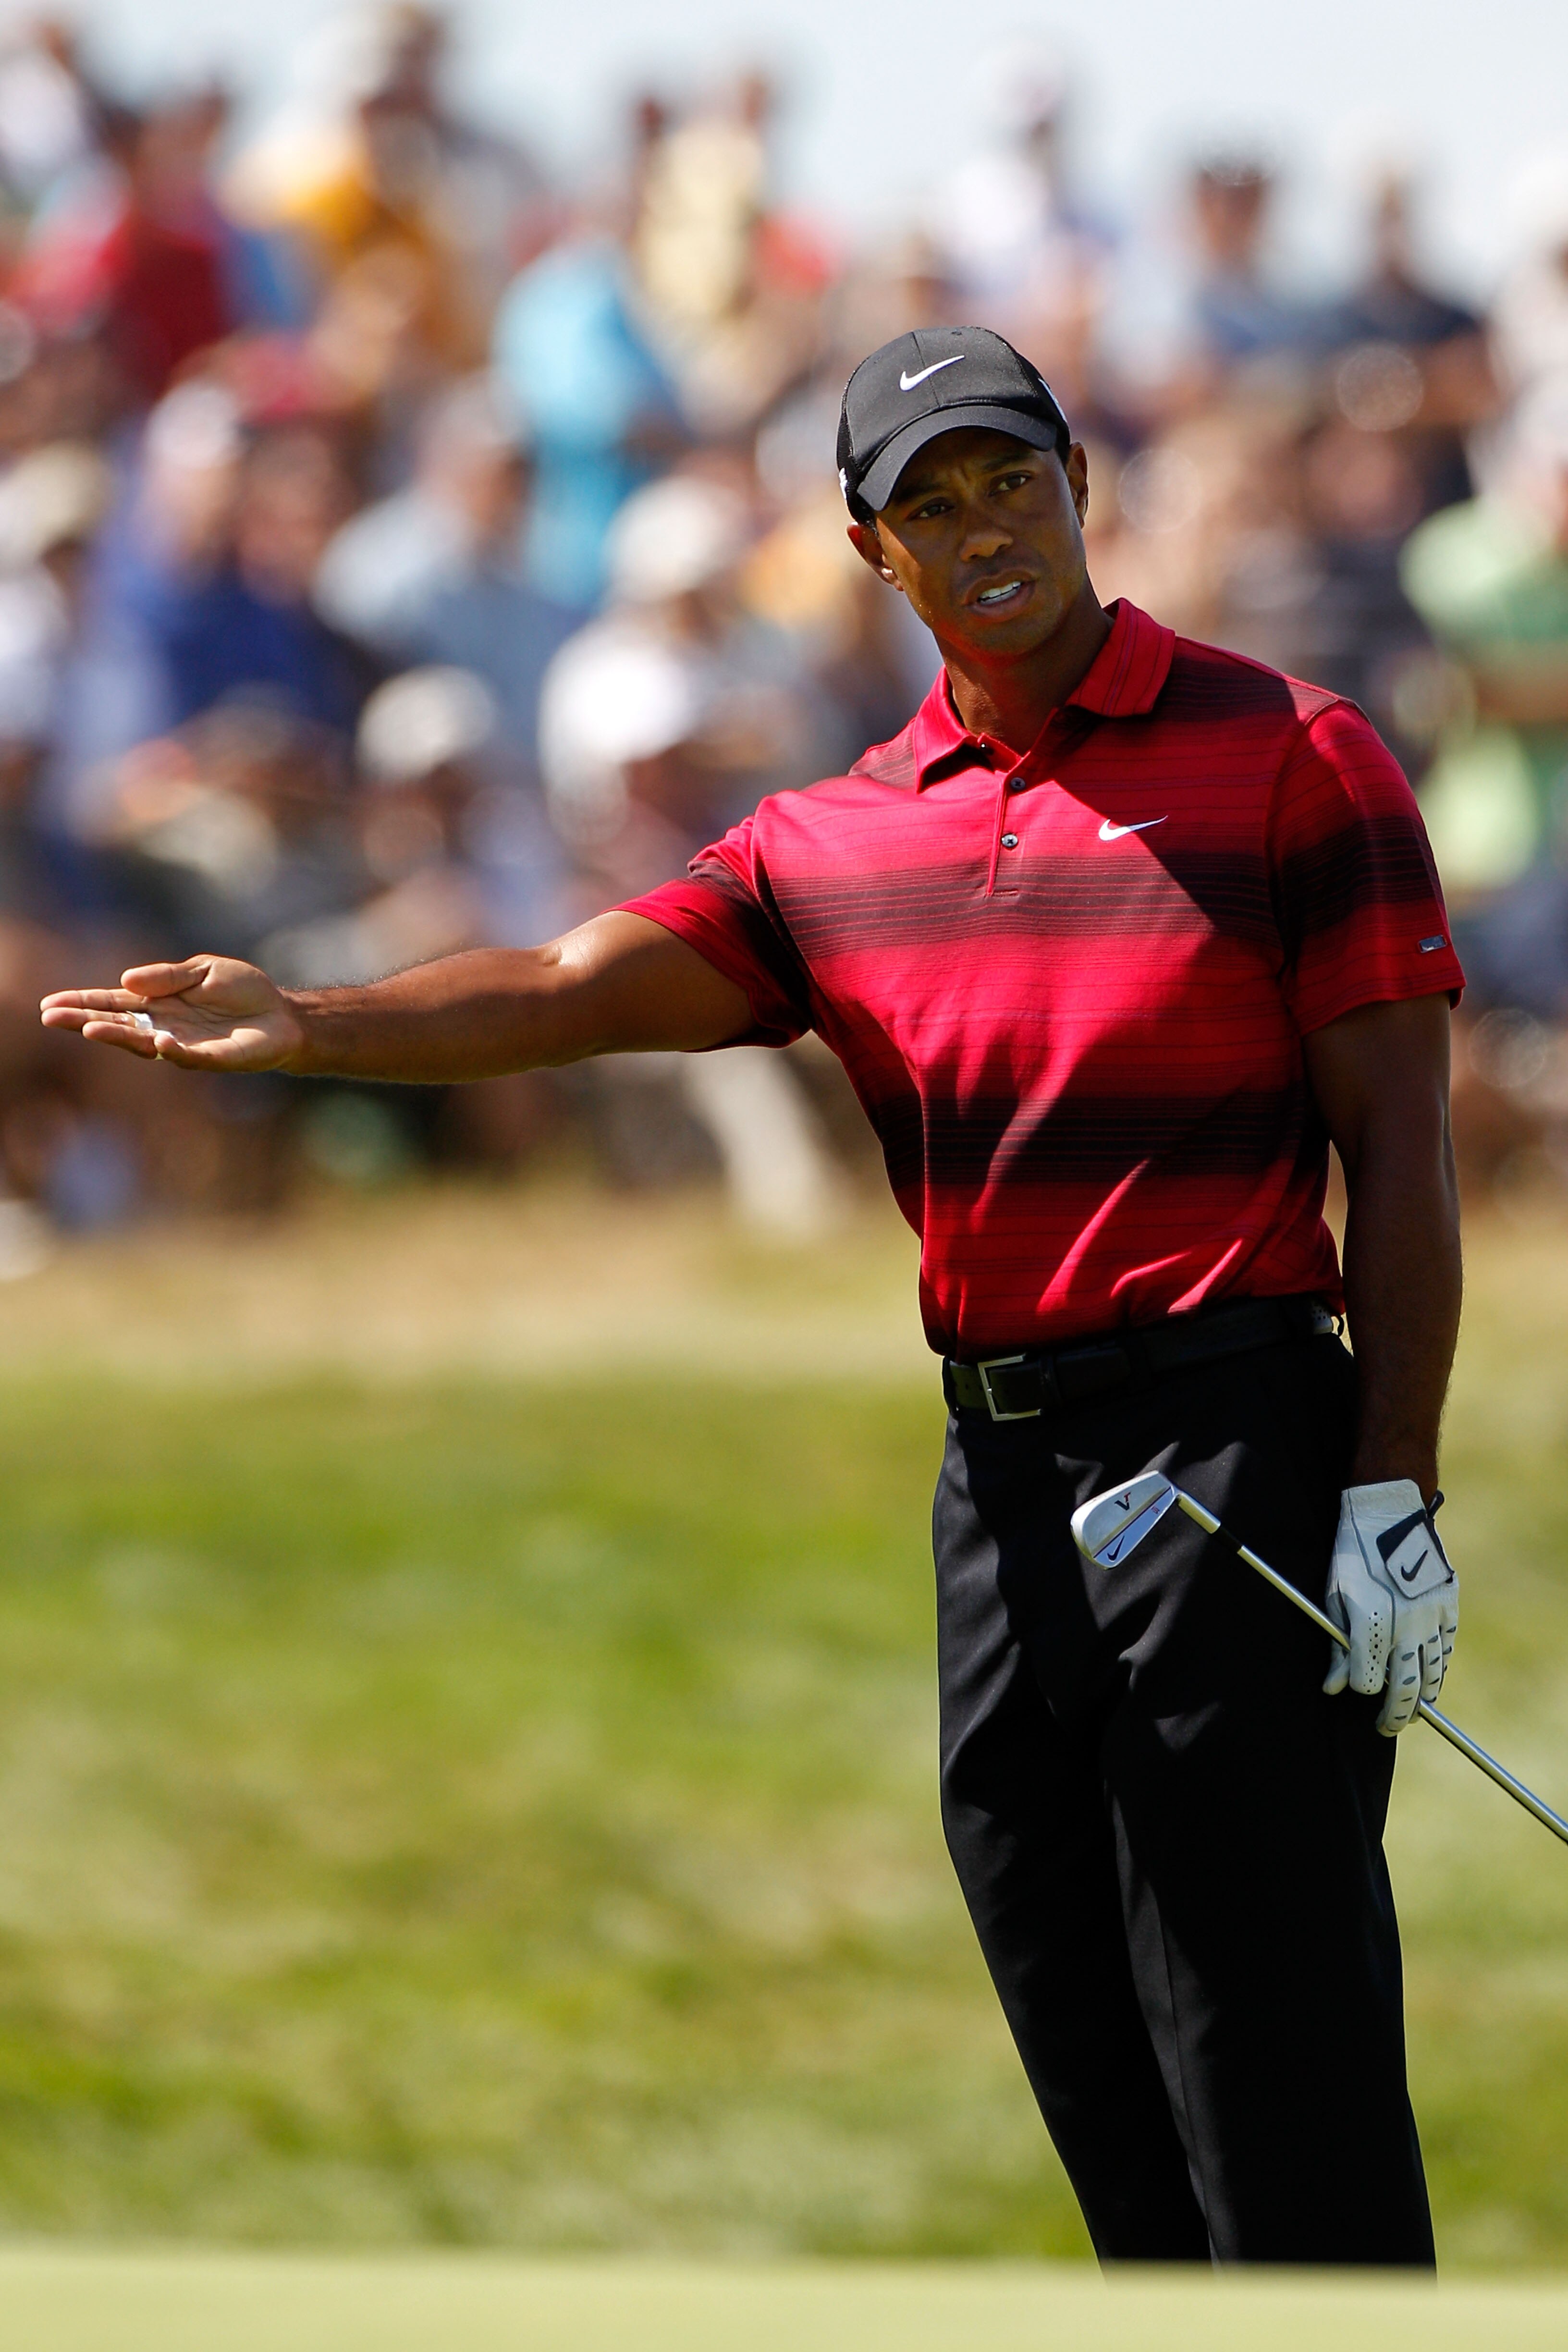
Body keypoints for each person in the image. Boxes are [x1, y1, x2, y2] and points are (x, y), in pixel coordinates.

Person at [38, 324, 1463, 2269]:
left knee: (1274, 2084)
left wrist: (1391, 1485)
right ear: (869, 552)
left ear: (1079, 484)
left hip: (1232, 1458)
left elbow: (1402, 1143)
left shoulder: (1294, 754)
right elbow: (570, 987)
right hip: (1000, 1488)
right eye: (931, 505)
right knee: (1093, 2062)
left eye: (1013, 480)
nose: (986, 530)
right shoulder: (836, 839)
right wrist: (311, 1022)